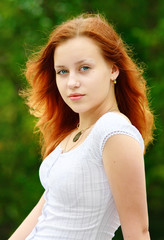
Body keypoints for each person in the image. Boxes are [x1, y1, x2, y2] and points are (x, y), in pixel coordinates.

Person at [9, 13, 154, 240]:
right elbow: (43, 215)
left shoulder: (113, 131)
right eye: (62, 72)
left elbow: (138, 232)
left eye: (84, 68)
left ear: (113, 69)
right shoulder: (72, 135)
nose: (72, 82)